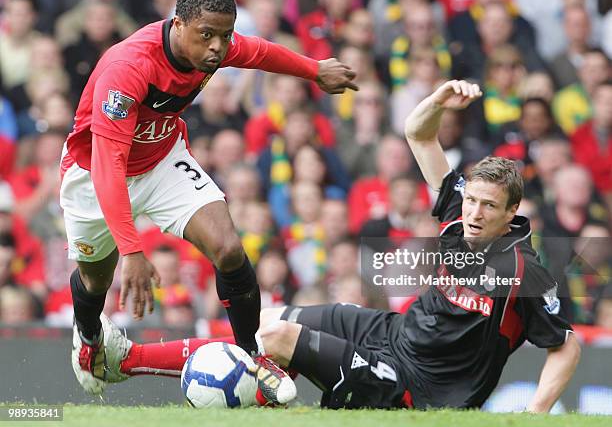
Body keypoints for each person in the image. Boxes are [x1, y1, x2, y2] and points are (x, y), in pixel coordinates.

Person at [93, 80, 580, 412]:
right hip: (395, 334)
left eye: (487, 207)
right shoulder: (458, 216)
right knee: (269, 323)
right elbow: (417, 132)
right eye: (471, 200)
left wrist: (536, 414)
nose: (473, 213)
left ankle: (134, 360)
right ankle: (126, 361)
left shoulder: (523, 271)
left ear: (511, 214)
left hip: (421, 390)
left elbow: (566, 345)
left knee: (278, 343)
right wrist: (438, 98)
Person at [60, 0, 357, 402]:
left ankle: (254, 356)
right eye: (207, 36)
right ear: (178, 24)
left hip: (162, 159)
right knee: (95, 280)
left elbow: (258, 52)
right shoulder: (127, 68)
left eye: (224, 35)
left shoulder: (214, 43)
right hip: (96, 174)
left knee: (229, 248)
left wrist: (314, 70)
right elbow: (109, 163)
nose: (218, 47)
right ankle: (89, 339)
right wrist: (131, 250)